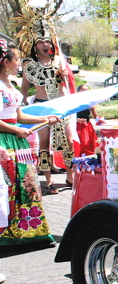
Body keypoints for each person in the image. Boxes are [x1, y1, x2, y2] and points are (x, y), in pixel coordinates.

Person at [0, 40, 60, 246]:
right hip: (4, 142)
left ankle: (29, 232)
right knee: (8, 188)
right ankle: (6, 235)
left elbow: (19, 115)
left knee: (27, 185)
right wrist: (16, 130)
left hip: (18, 143)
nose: (20, 64)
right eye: (17, 60)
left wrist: (45, 119)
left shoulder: (11, 86)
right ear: (6, 61)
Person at [16, 6, 77, 194]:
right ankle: (49, 181)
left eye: (48, 42)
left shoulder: (59, 62)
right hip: (42, 107)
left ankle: (70, 177)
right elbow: (25, 89)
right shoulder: (30, 65)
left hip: (61, 106)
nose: (46, 45)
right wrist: (20, 105)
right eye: (42, 42)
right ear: (35, 44)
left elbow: (66, 85)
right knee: (44, 144)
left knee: (68, 142)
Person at [76, 84, 99, 157]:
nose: (84, 92)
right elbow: (70, 116)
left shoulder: (91, 103)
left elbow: (96, 116)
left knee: (90, 144)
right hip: (77, 125)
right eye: (83, 90)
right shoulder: (74, 102)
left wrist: (100, 120)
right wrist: (78, 120)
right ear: (78, 91)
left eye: (86, 90)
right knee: (81, 144)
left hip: (87, 126)